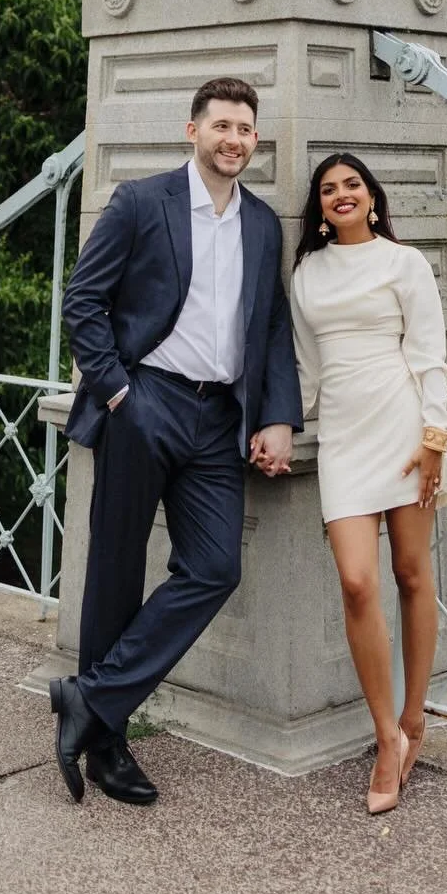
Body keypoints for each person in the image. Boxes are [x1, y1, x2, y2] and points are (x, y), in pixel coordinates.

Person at [49, 77, 301, 807]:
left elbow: (271, 324)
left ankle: (90, 697)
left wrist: (278, 415)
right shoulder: (141, 202)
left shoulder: (261, 223)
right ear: (192, 131)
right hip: (145, 400)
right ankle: (107, 743)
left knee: (215, 567)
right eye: (221, 125)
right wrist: (118, 393)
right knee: (116, 569)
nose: (234, 139)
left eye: (245, 129)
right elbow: (83, 300)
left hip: (220, 418)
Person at [290, 151, 447, 815]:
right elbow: (306, 368)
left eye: (352, 184)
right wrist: (277, 427)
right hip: (343, 439)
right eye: (329, 189)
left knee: (412, 573)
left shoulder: (404, 263)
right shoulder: (307, 273)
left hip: (403, 430)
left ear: (372, 196)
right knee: (357, 581)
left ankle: (413, 719)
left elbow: (429, 353)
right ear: (320, 207)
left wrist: (435, 438)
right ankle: (385, 736)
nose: (342, 194)